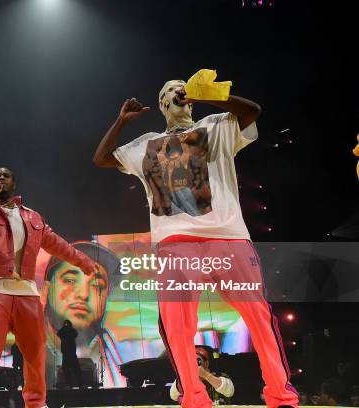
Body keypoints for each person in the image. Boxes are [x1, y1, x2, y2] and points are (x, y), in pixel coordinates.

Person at [93, 77, 298, 407]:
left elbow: (252, 111)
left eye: (183, 89)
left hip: (227, 237)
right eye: (170, 90)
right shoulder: (147, 144)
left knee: (259, 317)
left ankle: (280, 396)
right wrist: (121, 121)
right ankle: (195, 398)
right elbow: (102, 159)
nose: (179, 92)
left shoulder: (214, 126)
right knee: (175, 327)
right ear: (162, 104)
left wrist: (213, 94)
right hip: (176, 245)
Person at [0, 167, 96, 408]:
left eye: (5, 176)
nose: (0, 178)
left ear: (14, 183)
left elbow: (58, 245)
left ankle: (36, 403)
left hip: (26, 291)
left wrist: (84, 261)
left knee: (35, 354)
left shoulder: (33, 217)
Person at [43, 241, 124, 387]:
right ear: (46, 290)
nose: (84, 294)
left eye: (96, 285)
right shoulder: (20, 350)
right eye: (70, 280)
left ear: (107, 297)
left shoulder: (122, 356)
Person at [170, 346, 234, 405]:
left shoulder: (219, 376)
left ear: (206, 364)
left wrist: (205, 375)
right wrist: (186, 374)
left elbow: (229, 391)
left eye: (197, 361)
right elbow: (173, 395)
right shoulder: (185, 380)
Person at [56, 320, 84, 388]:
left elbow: (59, 333)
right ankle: (79, 384)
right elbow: (75, 334)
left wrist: (64, 327)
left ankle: (71, 384)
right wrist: (67, 327)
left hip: (67, 353)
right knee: (75, 369)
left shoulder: (66, 331)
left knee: (68, 369)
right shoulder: (71, 331)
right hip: (70, 353)